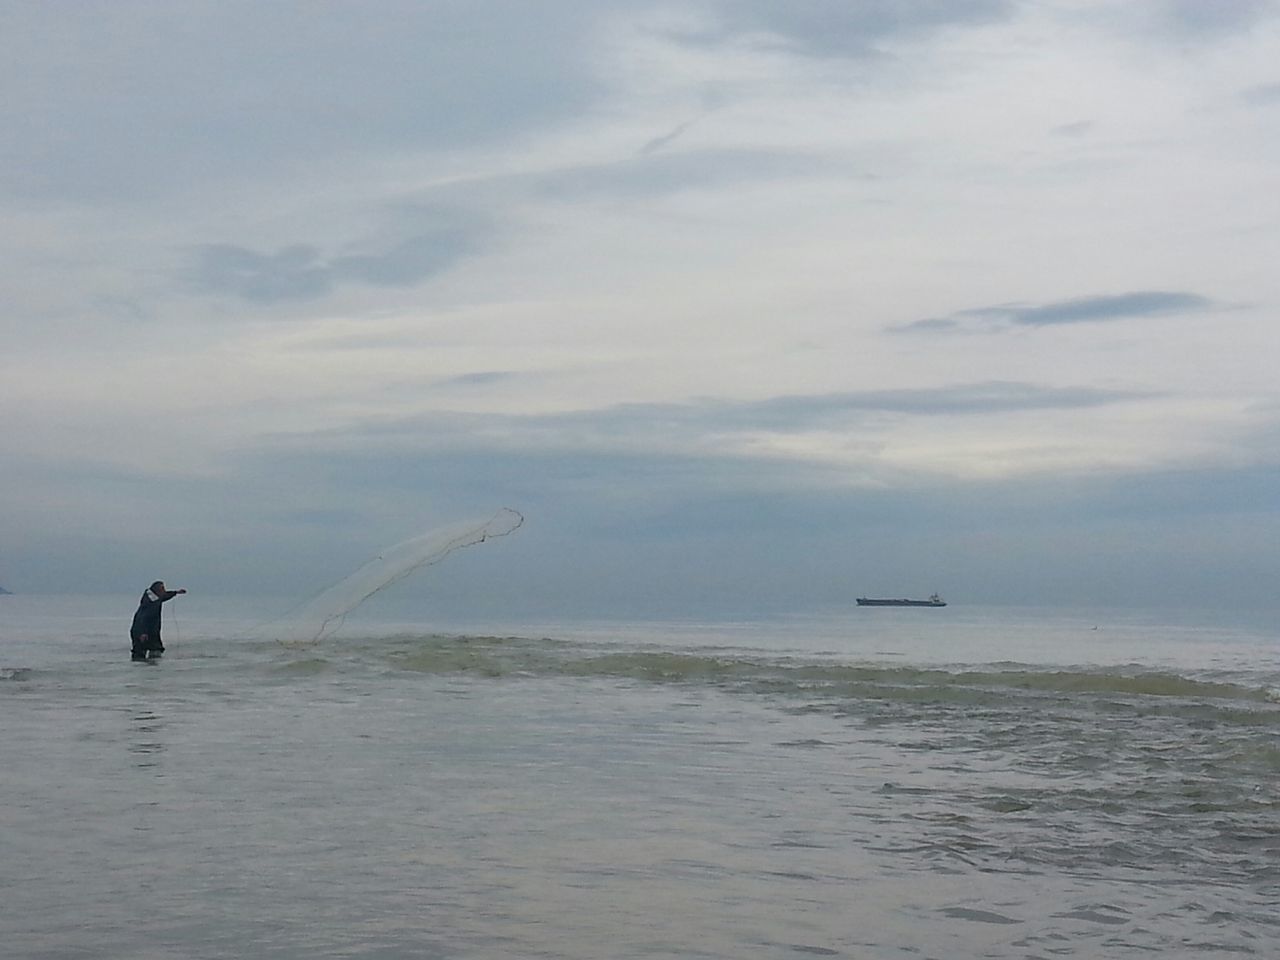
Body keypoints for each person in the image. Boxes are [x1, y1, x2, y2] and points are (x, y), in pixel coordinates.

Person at [130, 580, 187, 661]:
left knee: (156, 650)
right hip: (140, 631)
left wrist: (176, 592)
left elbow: (164, 596)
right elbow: (142, 618)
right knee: (139, 654)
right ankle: (140, 671)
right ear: (156, 590)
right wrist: (143, 633)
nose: (164, 590)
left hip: (152, 631)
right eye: (162, 588)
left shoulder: (156, 598)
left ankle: (154, 672)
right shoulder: (149, 603)